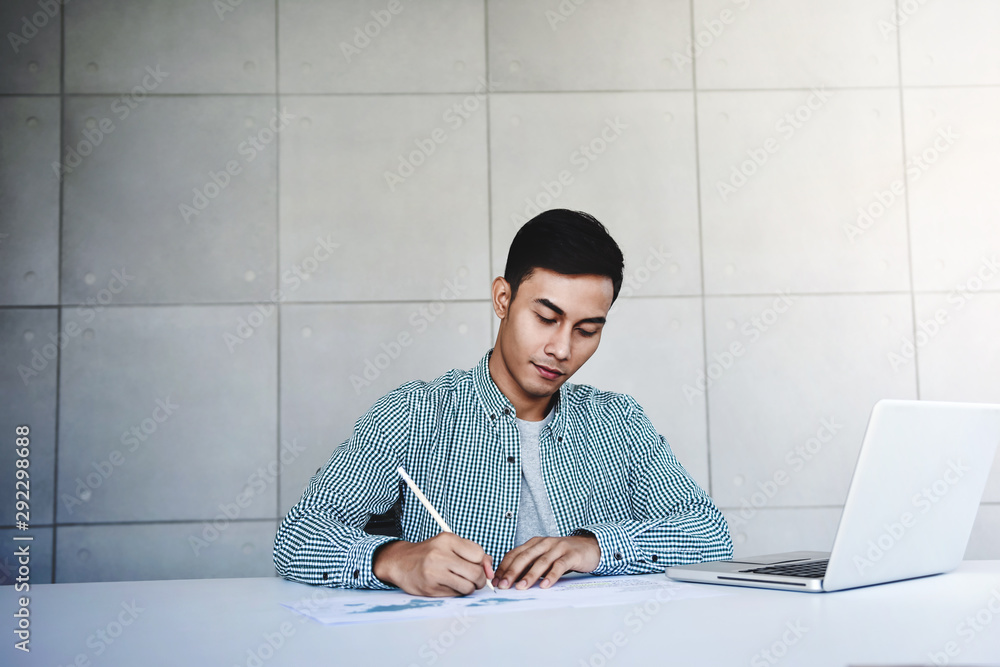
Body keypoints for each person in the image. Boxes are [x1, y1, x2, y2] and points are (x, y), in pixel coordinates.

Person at [273, 209, 732, 597]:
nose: (561, 348)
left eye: (587, 330)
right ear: (503, 298)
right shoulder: (414, 414)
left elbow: (710, 535)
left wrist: (593, 548)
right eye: (546, 317)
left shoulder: (618, 421)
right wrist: (395, 560)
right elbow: (297, 537)